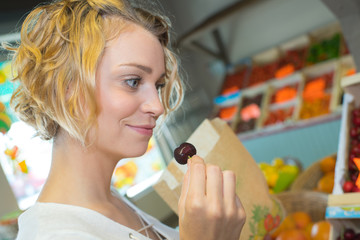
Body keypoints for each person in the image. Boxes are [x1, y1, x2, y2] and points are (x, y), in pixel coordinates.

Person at [5, 0, 246, 239]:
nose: (157, 106)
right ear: (67, 88)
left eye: (158, 85)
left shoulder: (111, 202)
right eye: (133, 81)